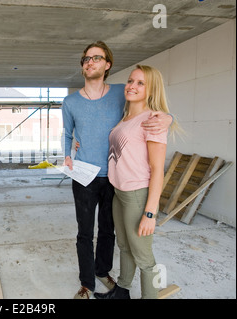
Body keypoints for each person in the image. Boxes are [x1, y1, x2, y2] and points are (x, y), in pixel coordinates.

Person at [62, 41, 173, 299]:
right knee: (85, 233)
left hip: (113, 180)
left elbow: (155, 104)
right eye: (86, 59)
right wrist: (67, 155)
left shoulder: (123, 91)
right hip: (84, 176)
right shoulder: (70, 102)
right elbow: (68, 133)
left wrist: (169, 118)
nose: (90, 62)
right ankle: (87, 283)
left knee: (109, 233)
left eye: (96, 58)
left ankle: (103, 272)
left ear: (107, 64)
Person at [94, 65, 179, 299]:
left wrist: (150, 213)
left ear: (151, 89)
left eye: (140, 83)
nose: (132, 86)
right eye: (131, 81)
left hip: (137, 195)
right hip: (119, 192)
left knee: (143, 256)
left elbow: (157, 170)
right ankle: (122, 291)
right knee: (124, 246)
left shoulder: (153, 120)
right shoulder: (126, 118)